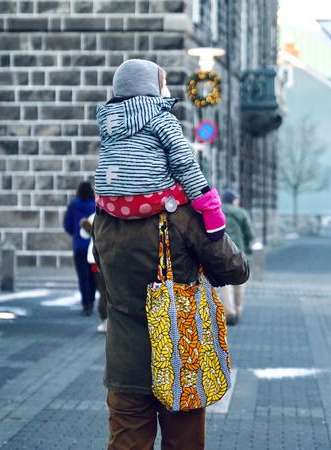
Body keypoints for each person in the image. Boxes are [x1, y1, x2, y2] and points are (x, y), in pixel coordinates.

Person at [94, 208, 249, 449]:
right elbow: (237, 268)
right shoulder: (182, 215)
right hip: (182, 359)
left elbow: (104, 269)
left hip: (125, 362)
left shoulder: (105, 216)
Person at [94, 59, 225, 240]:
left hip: (108, 202)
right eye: (163, 85)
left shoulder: (107, 121)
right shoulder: (162, 118)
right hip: (150, 198)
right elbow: (184, 163)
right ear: (150, 87)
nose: (167, 91)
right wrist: (210, 207)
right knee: (184, 185)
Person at [220, 189, 256, 324]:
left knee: (225, 283)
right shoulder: (241, 213)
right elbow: (249, 233)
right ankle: (238, 309)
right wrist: (247, 248)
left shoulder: (217, 210)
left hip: (222, 251)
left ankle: (229, 311)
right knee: (240, 281)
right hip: (239, 252)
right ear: (233, 200)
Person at [64, 181, 97, 316]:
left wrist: (76, 234)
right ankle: (91, 300)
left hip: (78, 246)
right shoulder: (95, 205)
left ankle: (86, 304)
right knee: (93, 276)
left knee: (82, 277)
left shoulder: (73, 205)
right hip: (93, 246)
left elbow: (67, 225)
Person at [81, 214, 108, 333]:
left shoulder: (95, 215)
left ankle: (105, 321)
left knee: (103, 291)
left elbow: (83, 234)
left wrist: (89, 228)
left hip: (95, 259)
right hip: (111, 257)